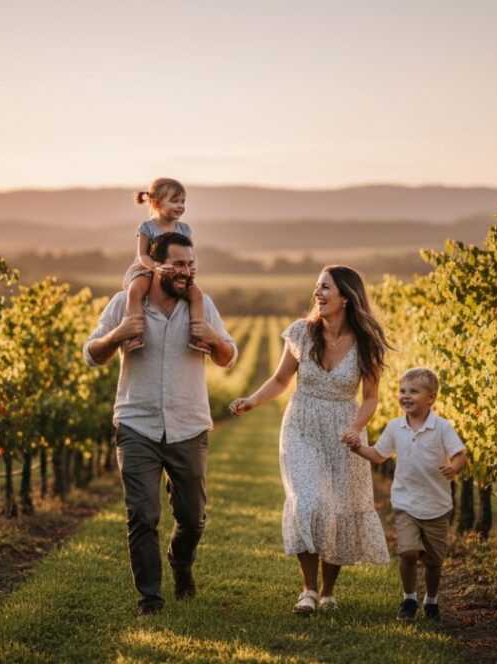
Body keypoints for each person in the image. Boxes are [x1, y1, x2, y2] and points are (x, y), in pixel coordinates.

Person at [83, 232, 238, 617]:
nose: (188, 272)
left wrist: (213, 339)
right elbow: (91, 353)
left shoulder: (202, 307)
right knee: (142, 514)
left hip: (189, 424)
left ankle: (180, 561)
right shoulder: (124, 303)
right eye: (179, 265)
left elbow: (228, 357)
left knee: (192, 517)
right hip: (137, 424)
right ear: (156, 266)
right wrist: (119, 334)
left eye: (191, 264)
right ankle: (150, 599)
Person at [229, 265, 391, 614]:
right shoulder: (302, 333)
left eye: (325, 288)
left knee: (338, 509)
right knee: (309, 501)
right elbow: (279, 379)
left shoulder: (367, 342)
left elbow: (372, 398)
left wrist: (356, 428)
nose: (317, 293)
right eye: (316, 287)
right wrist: (252, 401)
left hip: (344, 432)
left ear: (346, 297)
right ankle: (308, 589)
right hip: (301, 425)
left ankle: (329, 591)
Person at [345, 367, 467, 622]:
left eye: (414, 391)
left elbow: (460, 454)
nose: (406, 396)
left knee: (434, 562)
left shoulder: (441, 427)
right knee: (408, 553)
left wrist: (454, 467)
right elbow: (379, 455)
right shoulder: (395, 427)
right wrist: (358, 449)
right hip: (405, 503)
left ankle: (431, 601)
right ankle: (409, 598)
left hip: (436, 505)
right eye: (402, 391)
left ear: (431, 398)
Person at [123, 177, 209, 353]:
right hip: (147, 269)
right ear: (155, 204)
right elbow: (142, 255)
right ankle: (134, 334)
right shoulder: (147, 227)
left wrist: (192, 268)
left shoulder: (184, 229)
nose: (180, 206)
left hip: (177, 272)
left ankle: (198, 337)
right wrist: (155, 267)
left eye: (183, 201)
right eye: (174, 201)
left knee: (197, 295)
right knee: (135, 290)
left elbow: (192, 255)